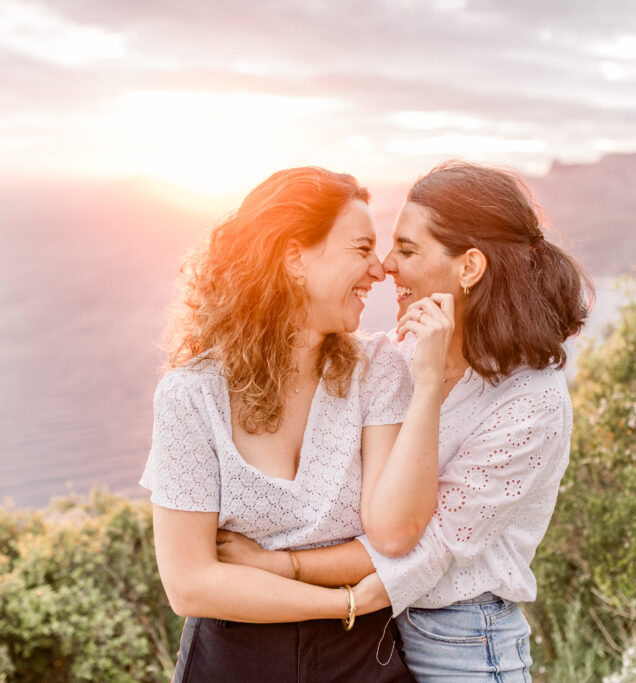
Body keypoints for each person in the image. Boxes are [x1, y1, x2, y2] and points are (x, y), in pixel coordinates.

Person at [216, 160, 591, 681]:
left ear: (470, 267)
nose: (388, 265)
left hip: (464, 643)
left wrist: (283, 566)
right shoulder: (400, 353)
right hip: (378, 638)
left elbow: (425, 546)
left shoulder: (531, 401)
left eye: (408, 250)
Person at [140, 166, 455, 682]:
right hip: (233, 664)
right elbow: (190, 585)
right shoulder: (192, 394)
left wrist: (428, 382)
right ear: (293, 259)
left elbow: (393, 537)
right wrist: (349, 602)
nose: (380, 271)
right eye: (361, 249)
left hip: (363, 664)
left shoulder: (378, 370)